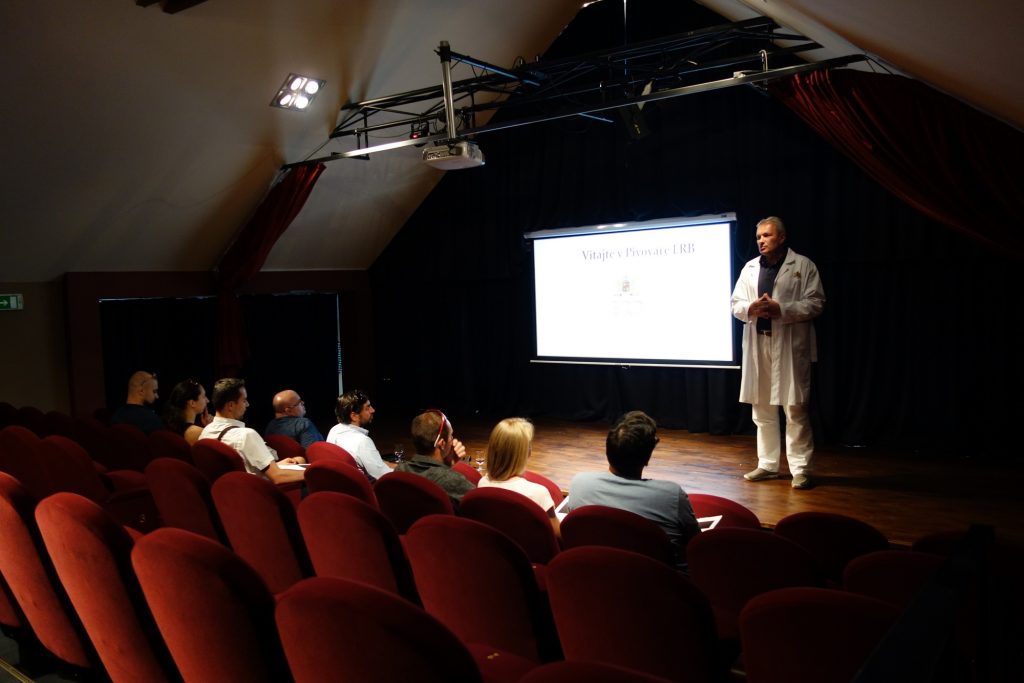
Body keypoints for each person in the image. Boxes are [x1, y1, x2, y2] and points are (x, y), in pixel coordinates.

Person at [731, 216, 825, 490]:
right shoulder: (749, 268)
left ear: (782, 238)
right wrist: (750, 308)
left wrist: (780, 309)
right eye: (758, 237)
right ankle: (768, 464)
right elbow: (735, 304)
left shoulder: (803, 265)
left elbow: (816, 303)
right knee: (761, 408)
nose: (761, 241)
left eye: (767, 235)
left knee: (795, 408)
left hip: (789, 345)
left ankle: (800, 469)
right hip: (758, 344)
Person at [563, 411, 698, 568]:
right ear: (647, 457)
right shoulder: (672, 496)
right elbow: (696, 544)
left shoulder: (580, 483)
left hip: (596, 574)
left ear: (608, 450)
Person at [198, 378, 305, 484]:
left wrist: (276, 466)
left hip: (226, 492)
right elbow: (277, 477)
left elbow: (240, 472)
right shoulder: (246, 435)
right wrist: (311, 473)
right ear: (230, 405)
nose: (247, 404)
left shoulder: (205, 433)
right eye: (244, 400)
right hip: (259, 491)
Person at [479, 417, 560, 537]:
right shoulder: (538, 493)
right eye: (529, 446)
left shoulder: (482, 484)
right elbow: (559, 535)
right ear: (526, 453)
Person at [396, 409, 474, 507]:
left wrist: (448, 465)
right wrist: (455, 469)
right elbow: (480, 503)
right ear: (442, 444)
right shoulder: (453, 481)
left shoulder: (399, 472)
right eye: (451, 436)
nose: (452, 440)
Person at [325, 389, 392, 481]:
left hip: (339, 483)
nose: (373, 410)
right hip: (363, 487)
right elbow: (385, 476)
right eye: (367, 408)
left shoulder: (334, 430)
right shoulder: (362, 441)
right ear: (354, 416)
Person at [161, 378, 212, 445]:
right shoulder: (196, 432)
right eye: (204, 396)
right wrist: (209, 428)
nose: (207, 400)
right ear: (192, 403)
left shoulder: (169, 427)